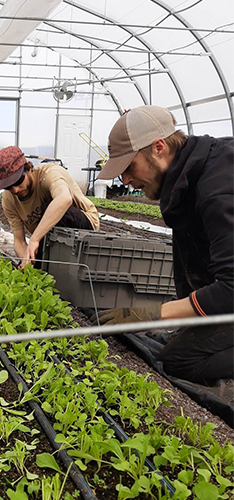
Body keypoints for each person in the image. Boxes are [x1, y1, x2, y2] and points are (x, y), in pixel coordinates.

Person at [95, 105, 234, 384]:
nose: (126, 181)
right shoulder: (194, 173)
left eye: (129, 167)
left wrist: (154, 314)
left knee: (179, 359)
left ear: (159, 147)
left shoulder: (216, 192)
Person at [0, 146, 99, 268]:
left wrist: (34, 239)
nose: (15, 190)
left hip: (85, 225)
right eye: (8, 187)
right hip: (48, 237)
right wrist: (27, 260)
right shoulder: (8, 199)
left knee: (51, 206)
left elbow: (64, 199)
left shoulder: (49, 173)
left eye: (18, 181)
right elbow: (19, 241)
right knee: (32, 267)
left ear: (29, 169)